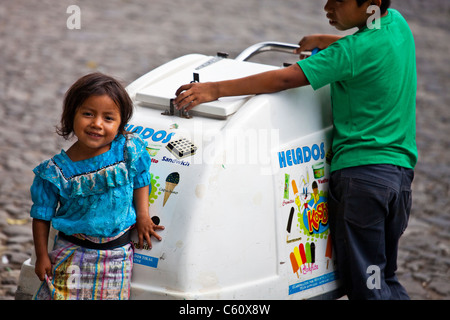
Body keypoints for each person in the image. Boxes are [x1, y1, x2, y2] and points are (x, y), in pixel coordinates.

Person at [174, 0, 416, 300]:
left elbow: (285, 78)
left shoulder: (349, 53)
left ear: (371, 4)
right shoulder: (397, 24)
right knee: (382, 275)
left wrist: (214, 89)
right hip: (398, 179)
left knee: (366, 287)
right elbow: (367, 41)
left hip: (361, 183)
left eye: (339, 1)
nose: (328, 7)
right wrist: (324, 41)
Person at [30, 72, 164, 300]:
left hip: (116, 258)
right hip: (71, 254)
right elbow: (41, 215)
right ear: (72, 114)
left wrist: (143, 216)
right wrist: (42, 255)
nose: (97, 124)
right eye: (88, 114)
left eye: (108, 118)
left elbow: (141, 180)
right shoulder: (54, 173)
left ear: (121, 123)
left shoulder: (128, 151)